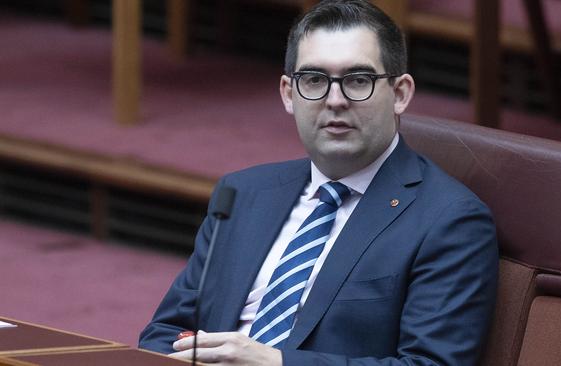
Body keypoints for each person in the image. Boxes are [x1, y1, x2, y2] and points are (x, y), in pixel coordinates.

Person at [139, 1, 498, 365]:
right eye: (314, 80)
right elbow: (165, 332)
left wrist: (277, 363)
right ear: (289, 94)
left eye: (359, 80)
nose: (335, 100)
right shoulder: (244, 193)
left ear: (401, 93)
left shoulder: (449, 220)